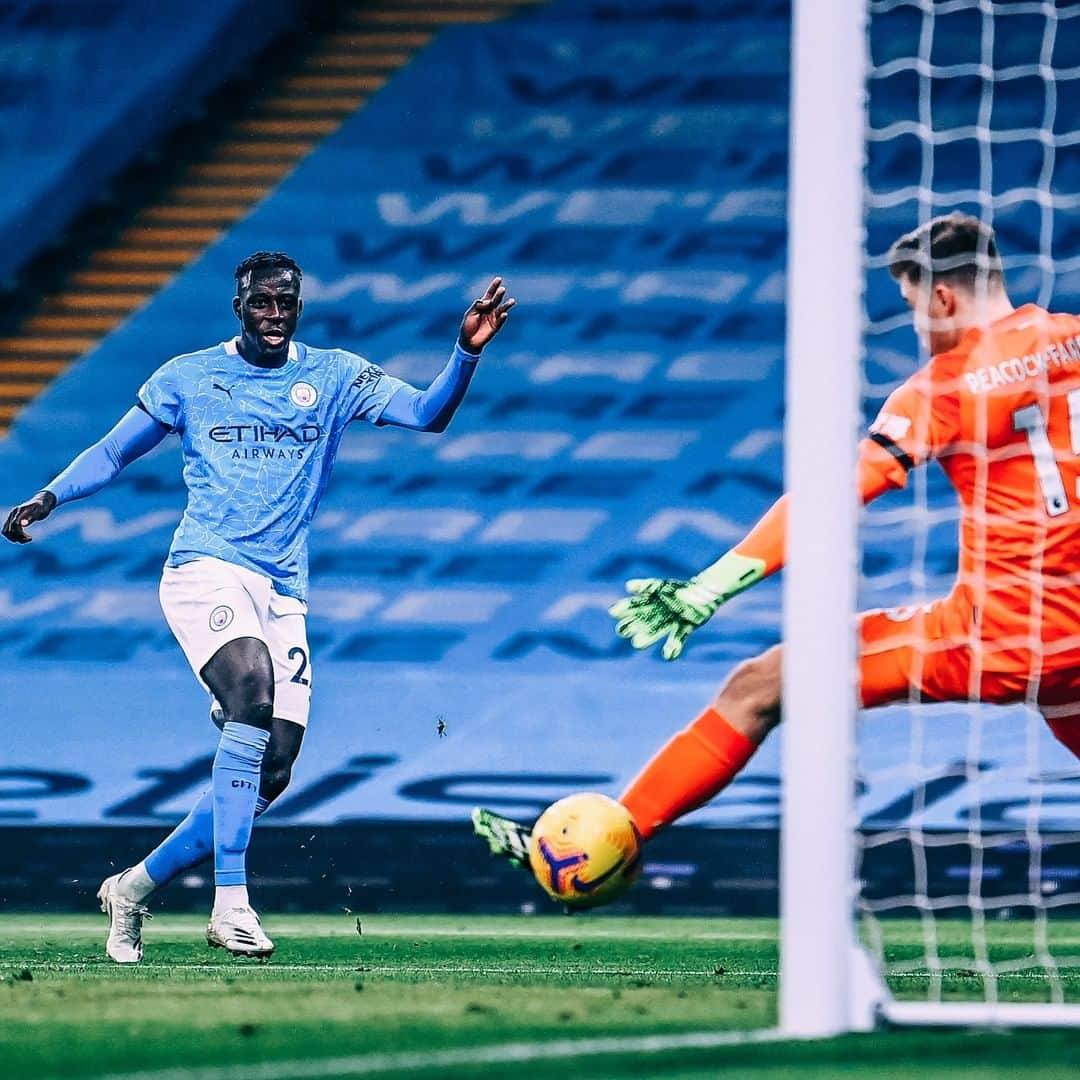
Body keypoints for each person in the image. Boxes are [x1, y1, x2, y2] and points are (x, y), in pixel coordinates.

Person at [476, 212, 1080, 884]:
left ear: (943, 297)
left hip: (997, 639)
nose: (919, 329)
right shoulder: (1075, 340)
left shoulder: (945, 386)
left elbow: (833, 499)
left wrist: (711, 587)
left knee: (760, 686)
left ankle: (608, 846)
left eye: (914, 309)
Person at [4, 252, 514, 960]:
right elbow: (115, 452)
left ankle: (133, 888)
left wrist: (464, 352)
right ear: (238, 306)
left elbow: (426, 416)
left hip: (283, 590)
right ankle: (232, 903)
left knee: (271, 769)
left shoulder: (333, 375)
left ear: (299, 306)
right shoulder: (189, 377)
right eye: (261, 303)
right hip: (205, 568)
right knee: (251, 693)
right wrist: (49, 496)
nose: (274, 315)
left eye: (286, 303)